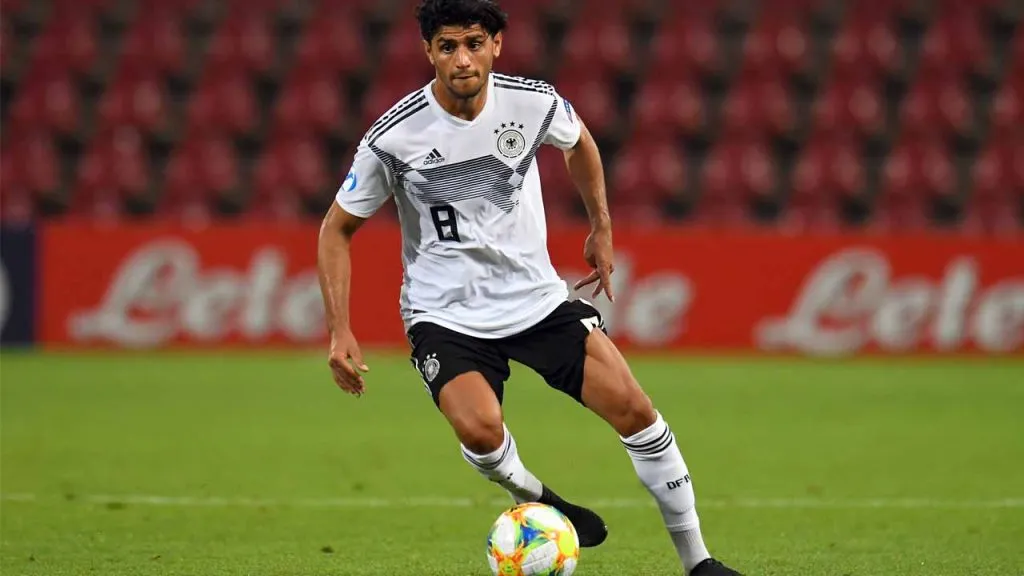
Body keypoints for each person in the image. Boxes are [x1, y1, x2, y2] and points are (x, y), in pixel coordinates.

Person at [316, 1, 743, 574]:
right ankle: (536, 497)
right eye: (447, 46)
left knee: (637, 411)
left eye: (473, 43)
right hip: (446, 313)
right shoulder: (393, 138)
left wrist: (601, 226)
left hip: (536, 300)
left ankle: (699, 562)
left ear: (496, 45)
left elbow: (580, 143)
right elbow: (336, 229)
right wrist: (340, 328)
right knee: (481, 431)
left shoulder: (533, 102)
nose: (462, 60)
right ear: (429, 53)